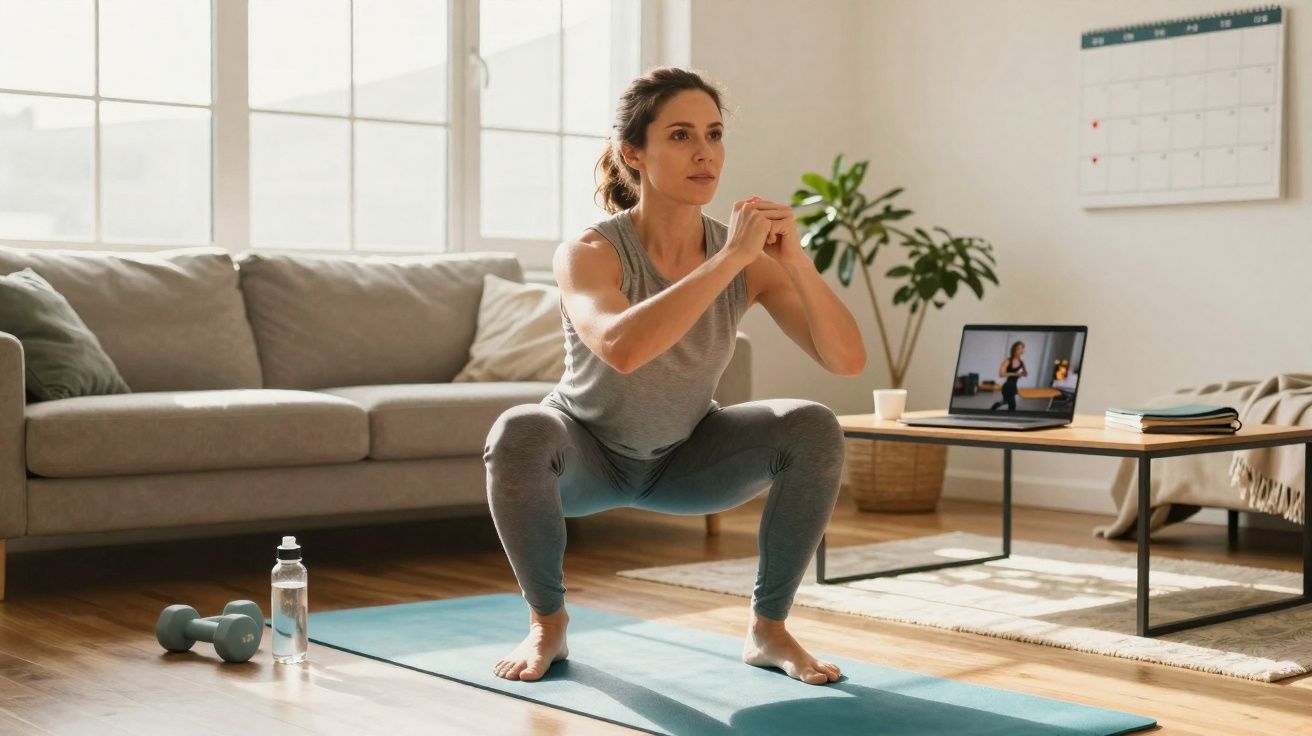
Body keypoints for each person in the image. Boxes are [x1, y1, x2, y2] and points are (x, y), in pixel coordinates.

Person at [483, 66, 866, 686]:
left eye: (714, 135)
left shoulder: (744, 257)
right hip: (584, 456)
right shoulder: (590, 250)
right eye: (682, 136)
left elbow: (846, 361)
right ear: (634, 152)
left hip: (686, 459)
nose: (705, 153)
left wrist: (793, 260)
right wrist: (731, 260)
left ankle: (769, 629)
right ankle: (547, 623)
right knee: (518, 430)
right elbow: (622, 346)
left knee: (812, 425)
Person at [988, 341, 1027, 411]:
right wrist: (1015, 374)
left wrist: (1023, 373)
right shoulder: (1008, 360)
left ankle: (991, 410)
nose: (1021, 350)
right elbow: (1001, 374)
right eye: (1018, 348)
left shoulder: (1022, 362)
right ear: (1014, 350)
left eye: (1022, 348)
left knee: (1004, 401)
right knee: (1012, 405)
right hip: (1008, 386)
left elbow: (1025, 374)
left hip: (1014, 386)